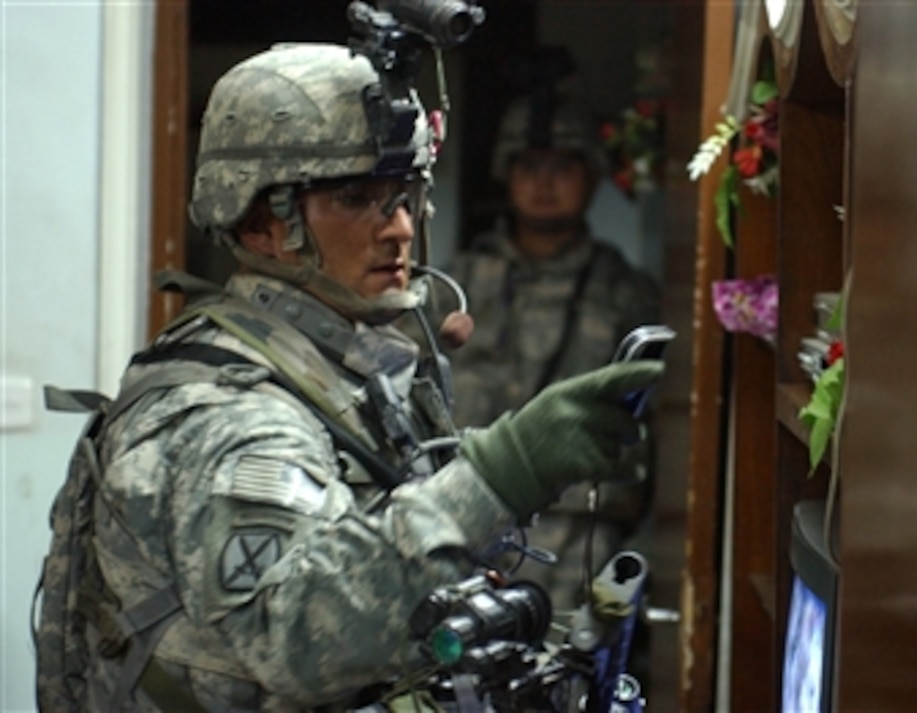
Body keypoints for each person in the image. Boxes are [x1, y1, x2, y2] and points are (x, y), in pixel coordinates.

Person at [35, 42, 662, 711]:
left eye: (402, 195)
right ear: (261, 222)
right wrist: (505, 469)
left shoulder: (332, 366)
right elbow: (297, 631)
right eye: (356, 198)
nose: (396, 227)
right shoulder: (230, 413)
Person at [441, 78, 663, 612]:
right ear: (505, 173)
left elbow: (662, 440)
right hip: (457, 527)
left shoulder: (626, 292)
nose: (544, 183)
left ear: (589, 176)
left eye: (561, 166)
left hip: (581, 542)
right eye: (528, 166)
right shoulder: (455, 283)